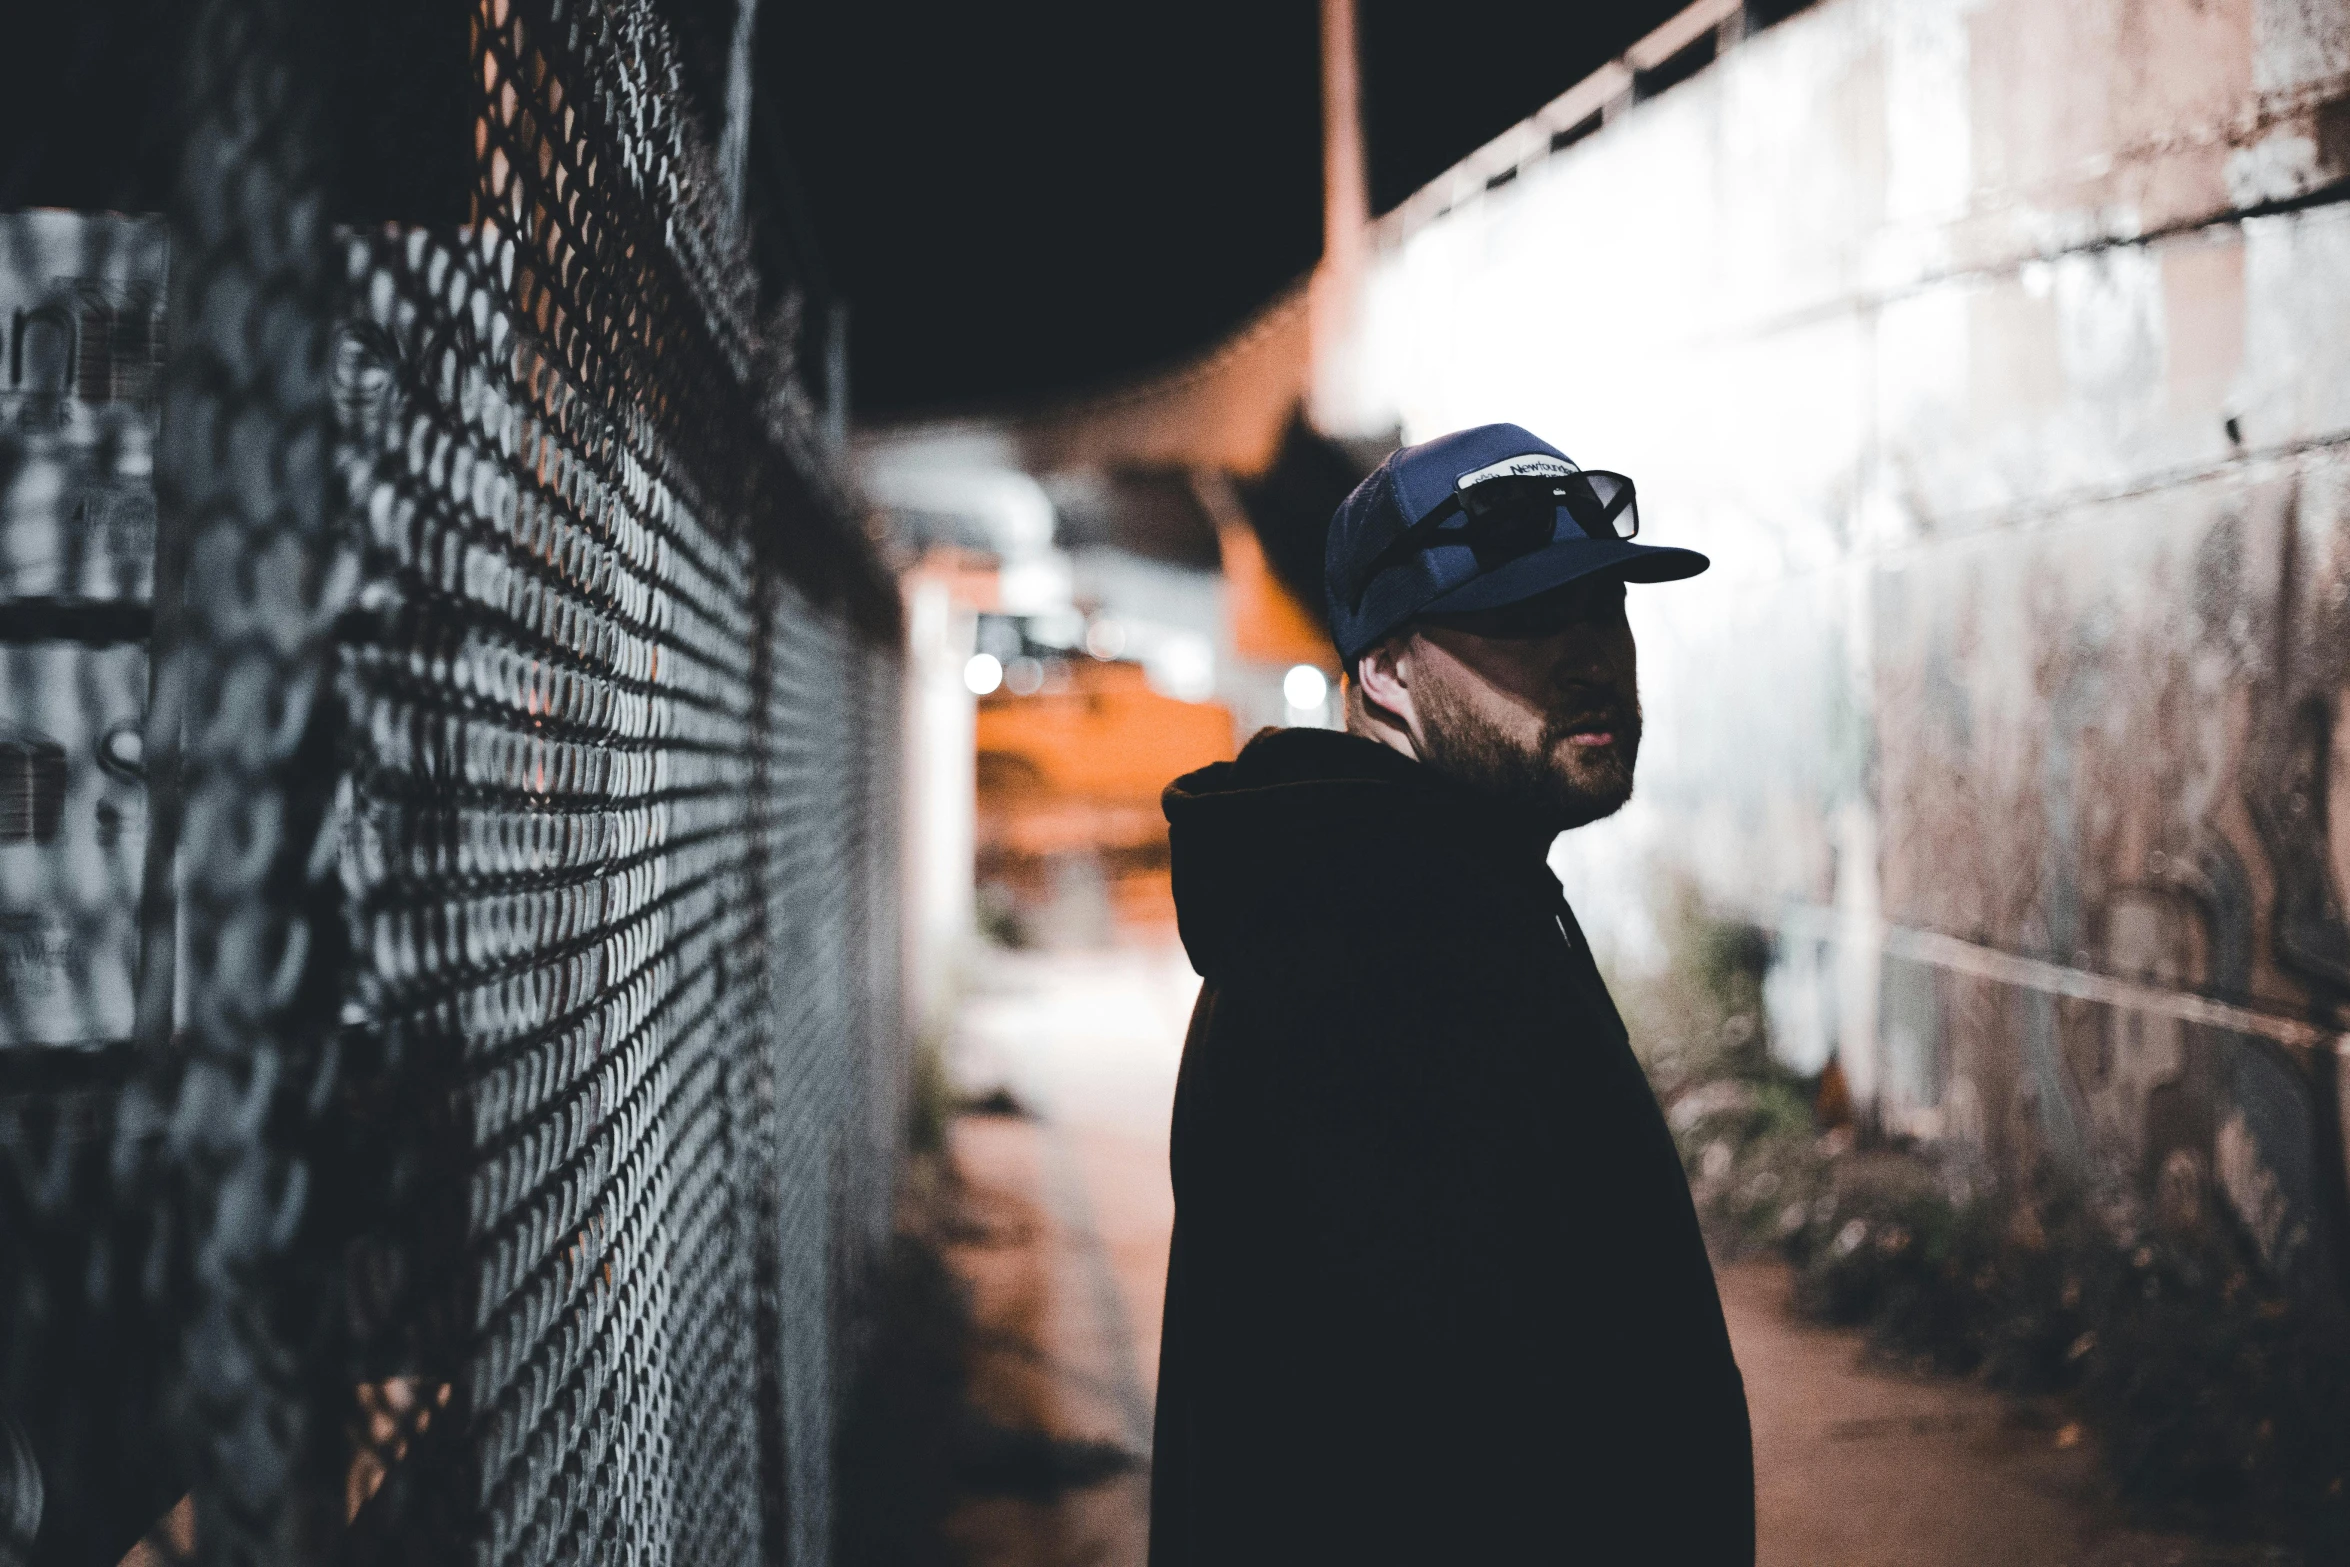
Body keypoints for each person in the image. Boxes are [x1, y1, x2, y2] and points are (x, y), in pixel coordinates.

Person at [1149, 424, 1754, 1564]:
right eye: (1524, 620)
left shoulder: (1427, 898)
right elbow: (1434, 1465)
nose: (1592, 656)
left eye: (1603, 608)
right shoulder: (1378, 962)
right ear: (1384, 669)